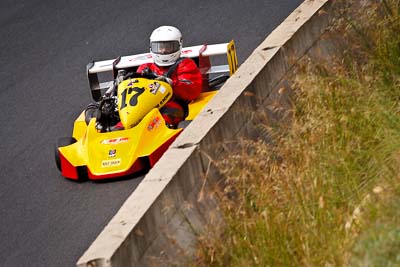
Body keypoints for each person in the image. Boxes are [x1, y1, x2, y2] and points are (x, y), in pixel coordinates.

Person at [137, 26, 202, 128]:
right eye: (159, 47)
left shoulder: (185, 64)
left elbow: (192, 90)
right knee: (122, 122)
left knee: (161, 120)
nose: (163, 51)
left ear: (179, 45)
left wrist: (171, 83)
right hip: (145, 107)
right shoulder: (145, 68)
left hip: (173, 103)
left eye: (168, 47)